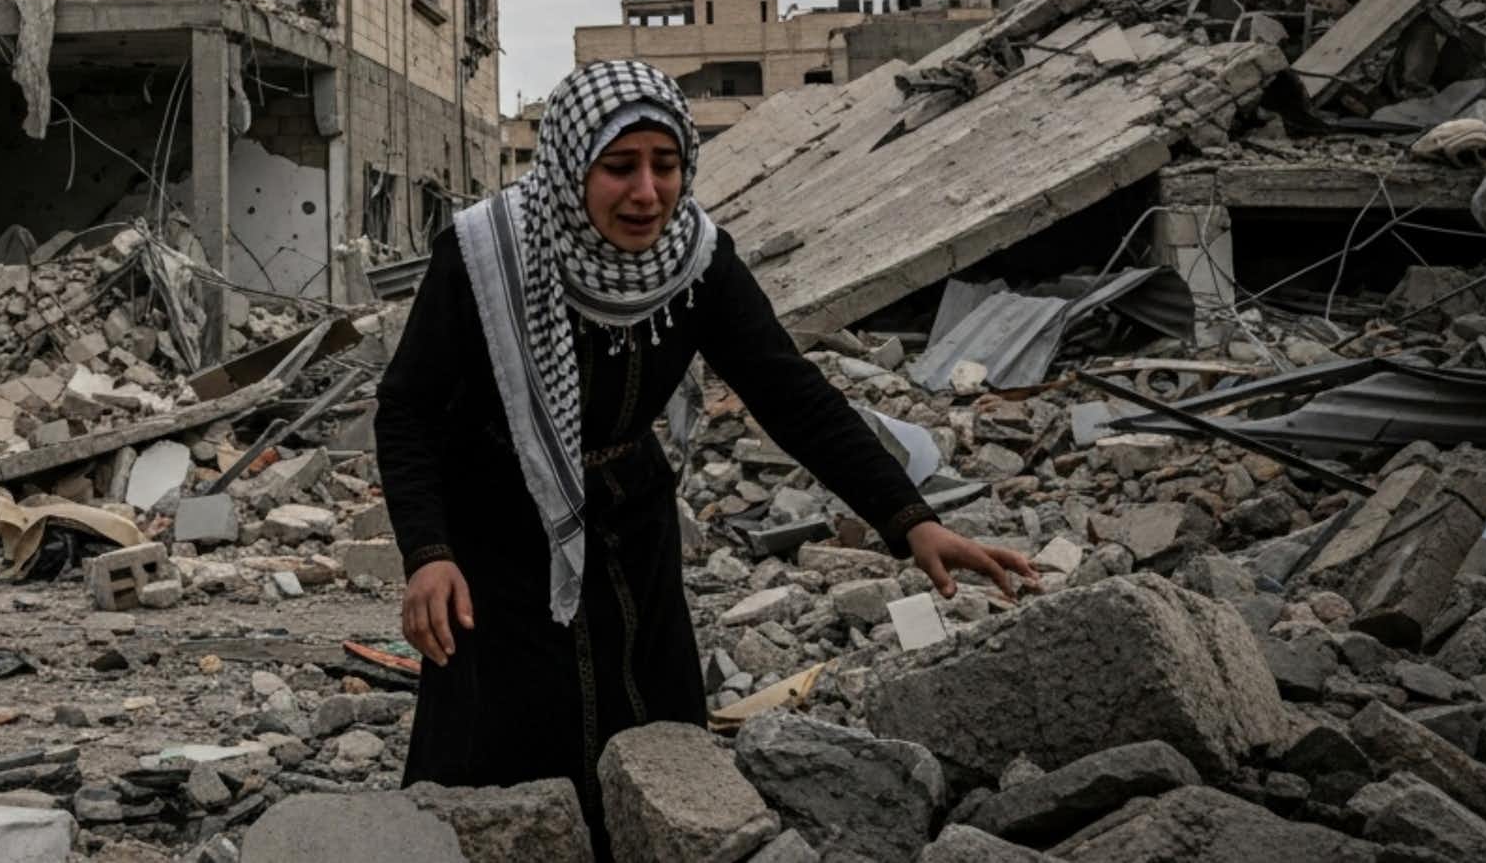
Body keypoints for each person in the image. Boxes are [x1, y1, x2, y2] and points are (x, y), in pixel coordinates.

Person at [374, 61, 1036, 857]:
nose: (647, 191)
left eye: (667, 164)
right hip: (499, 541)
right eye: (619, 167)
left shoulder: (695, 261)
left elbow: (791, 393)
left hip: (632, 533)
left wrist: (911, 520)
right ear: (570, 164)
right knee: (498, 769)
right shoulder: (487, 257)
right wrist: (428, 553)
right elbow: (406, 410)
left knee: (658, 755)